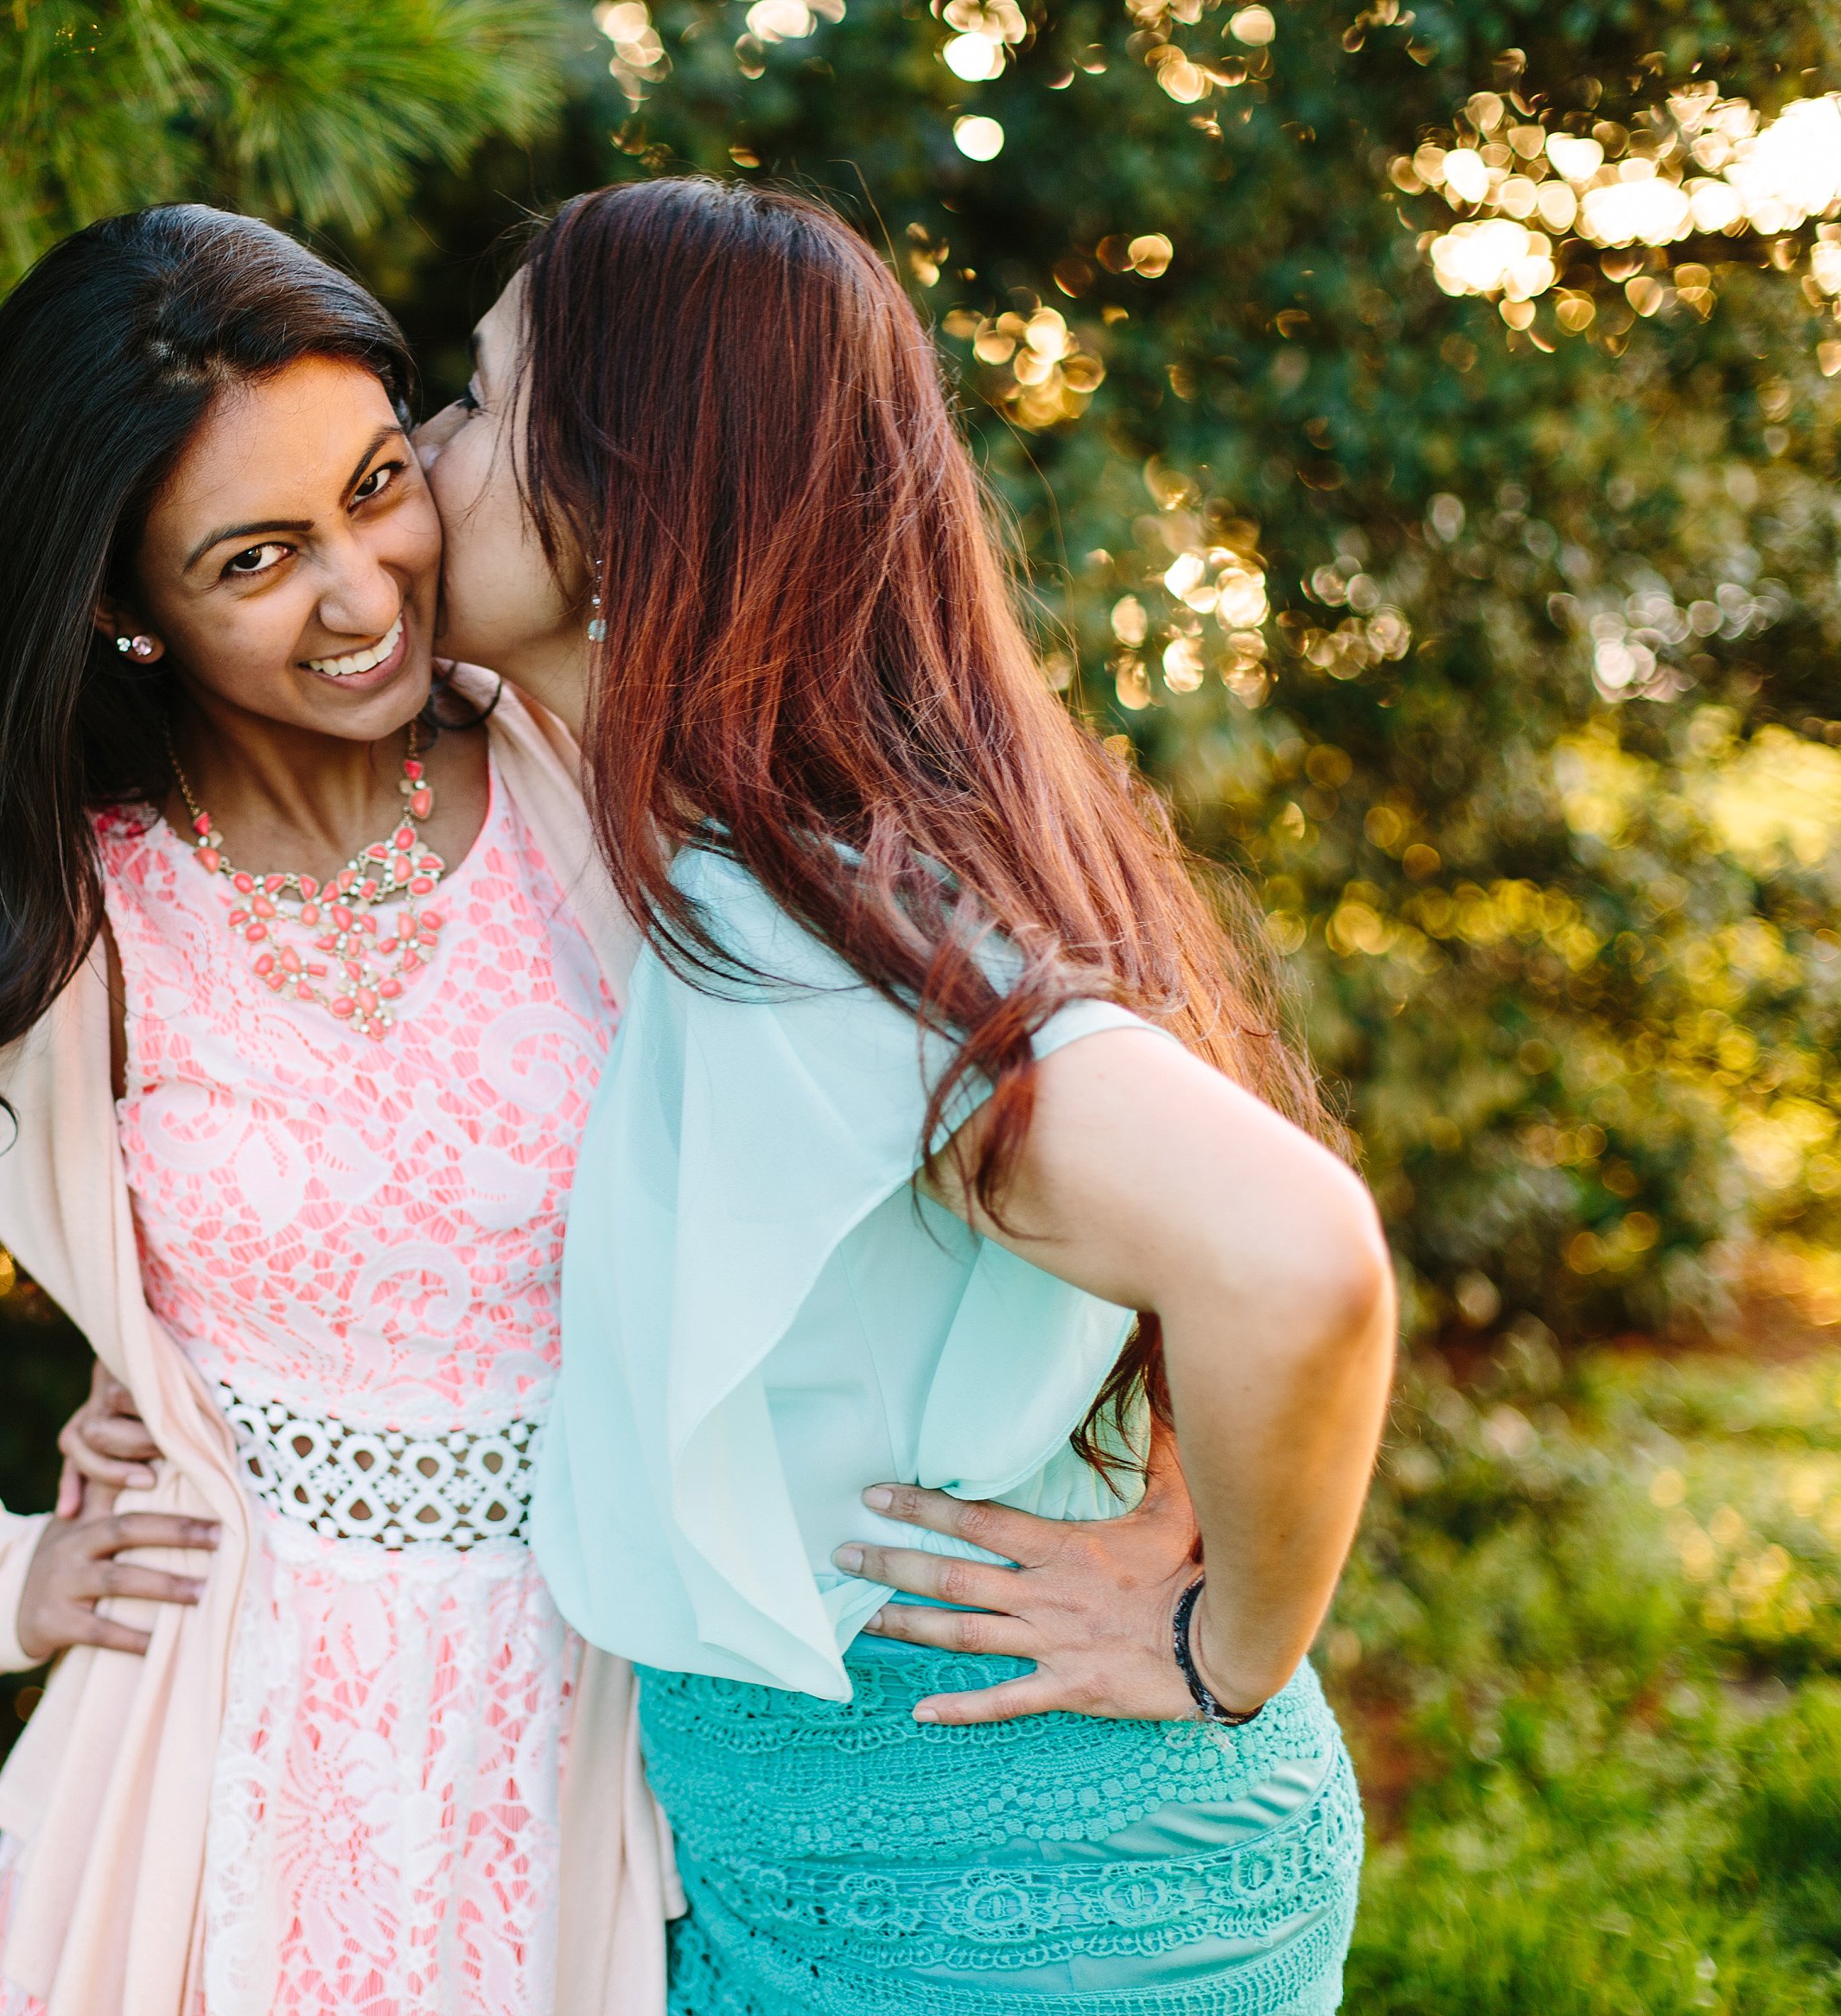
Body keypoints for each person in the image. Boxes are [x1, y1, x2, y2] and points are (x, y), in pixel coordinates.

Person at [0, 205, 674, 2016]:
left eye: (379, 484)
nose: (363, 592)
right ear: (123, 607)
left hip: (591, 1730)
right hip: (213, 1767)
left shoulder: (585, 767)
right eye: (256, 558)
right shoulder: (39, 920)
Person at [411, 177, 1396, 2014]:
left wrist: (1226, 1644)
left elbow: (1293, 1252)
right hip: (904, 1856)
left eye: (473, 398)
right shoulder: (758, 851)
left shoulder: (808, 919)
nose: (421, 450)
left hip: (994, 1889)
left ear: (623, 499)